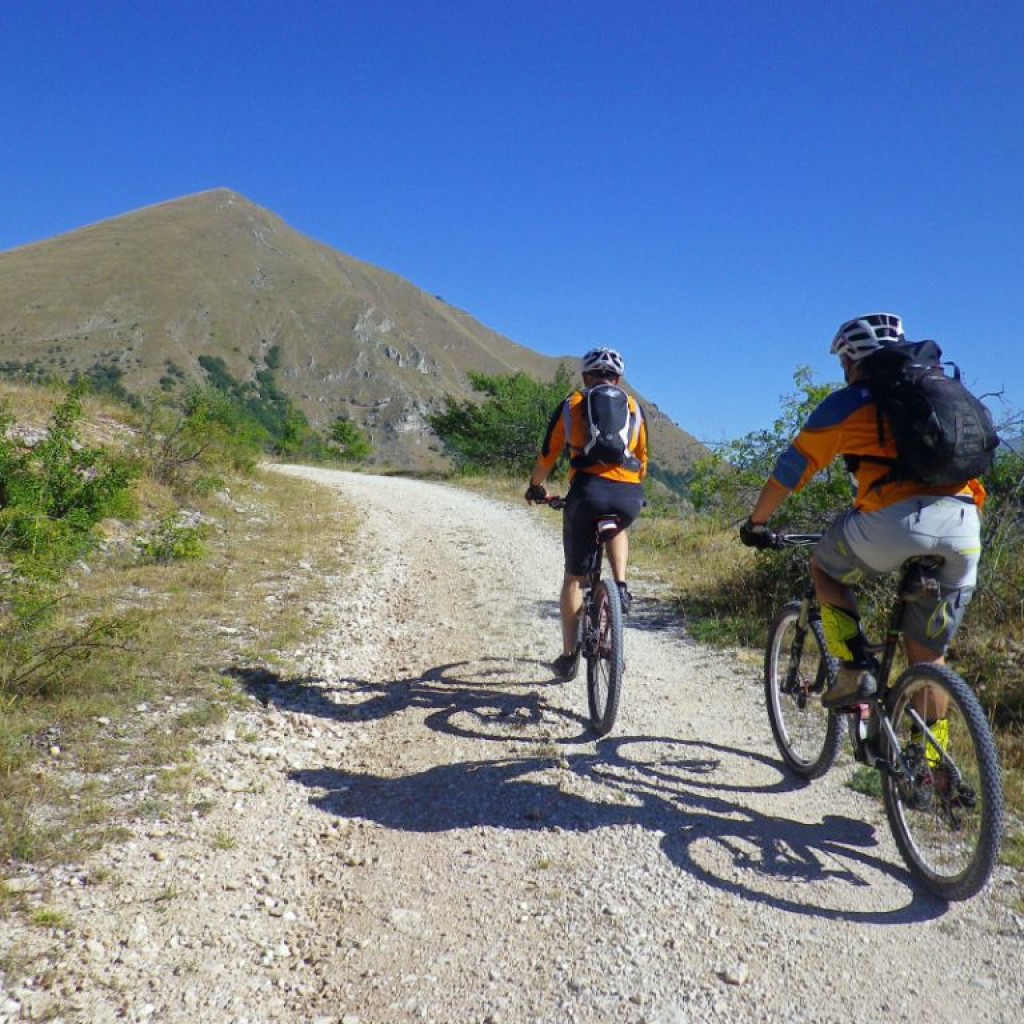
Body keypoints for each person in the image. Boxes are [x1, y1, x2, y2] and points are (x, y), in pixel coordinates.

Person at [740, 313, 984, 714]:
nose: (843, 372)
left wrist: (757, 523)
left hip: (893, 525)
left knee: (825, 568)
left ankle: (854, 669)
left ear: (853, 359)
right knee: (928, 660)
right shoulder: (939, 392)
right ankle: (932, 770)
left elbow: (789, 471)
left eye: (842, 364)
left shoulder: (849, 402)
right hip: (963, 525)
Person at [525, 347, 649, 680]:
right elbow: (643, 459)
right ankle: (620, 586)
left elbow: (548, 454)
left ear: (585, 377)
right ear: (618, 379)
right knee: (617, 524)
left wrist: (536, 486)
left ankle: (568, 658)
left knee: (574, 580)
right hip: (628, 495)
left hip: (587, 494)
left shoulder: (573, 405)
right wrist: (632, 493)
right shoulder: (634, 408)